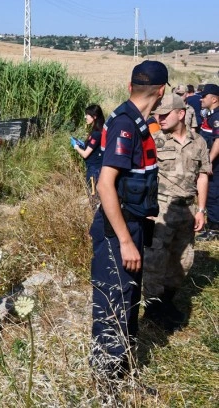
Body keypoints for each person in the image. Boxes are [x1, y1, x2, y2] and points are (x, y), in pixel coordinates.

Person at [89, 60, 165, 382]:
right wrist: (125, 241)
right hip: (118, 231)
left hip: (132, 225)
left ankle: (124, 376)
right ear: (161, 91)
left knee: (128, 303)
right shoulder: (125, 125)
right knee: (113, 307)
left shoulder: (137, 123)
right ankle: (106, 387)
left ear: (131, 86)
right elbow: (106, 185)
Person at [143, 92, 210, 331]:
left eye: (165, 114)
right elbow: (143, 176)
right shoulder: (154, 140)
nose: (159, 118)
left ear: (181, 114)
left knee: (183, 260)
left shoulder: (199, 142)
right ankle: (152, 310)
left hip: (188, 209)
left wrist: (201, 209)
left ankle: (166, 303)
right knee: (155, 260)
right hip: (161, 209)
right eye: (157, 115)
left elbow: (203, 176)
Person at [197, 84, 219, 241]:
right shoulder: (211, 115)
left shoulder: (217, 117)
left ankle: (214, 229)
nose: (201, 99)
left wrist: (208, 162)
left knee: (212, 195)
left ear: (214, 99)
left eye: (204, 96)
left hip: (215, 164)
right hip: (212, 162)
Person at [71, 104, 105, 203]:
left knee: (93, 196)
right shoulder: (96, 131)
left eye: (87, 115)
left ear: (94, 117)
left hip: (94, 169)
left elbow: (85, 154)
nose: (85, 117)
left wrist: (76, 147)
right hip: (94, 167)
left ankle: (96, 215)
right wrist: (82, 143)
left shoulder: (97, 133)